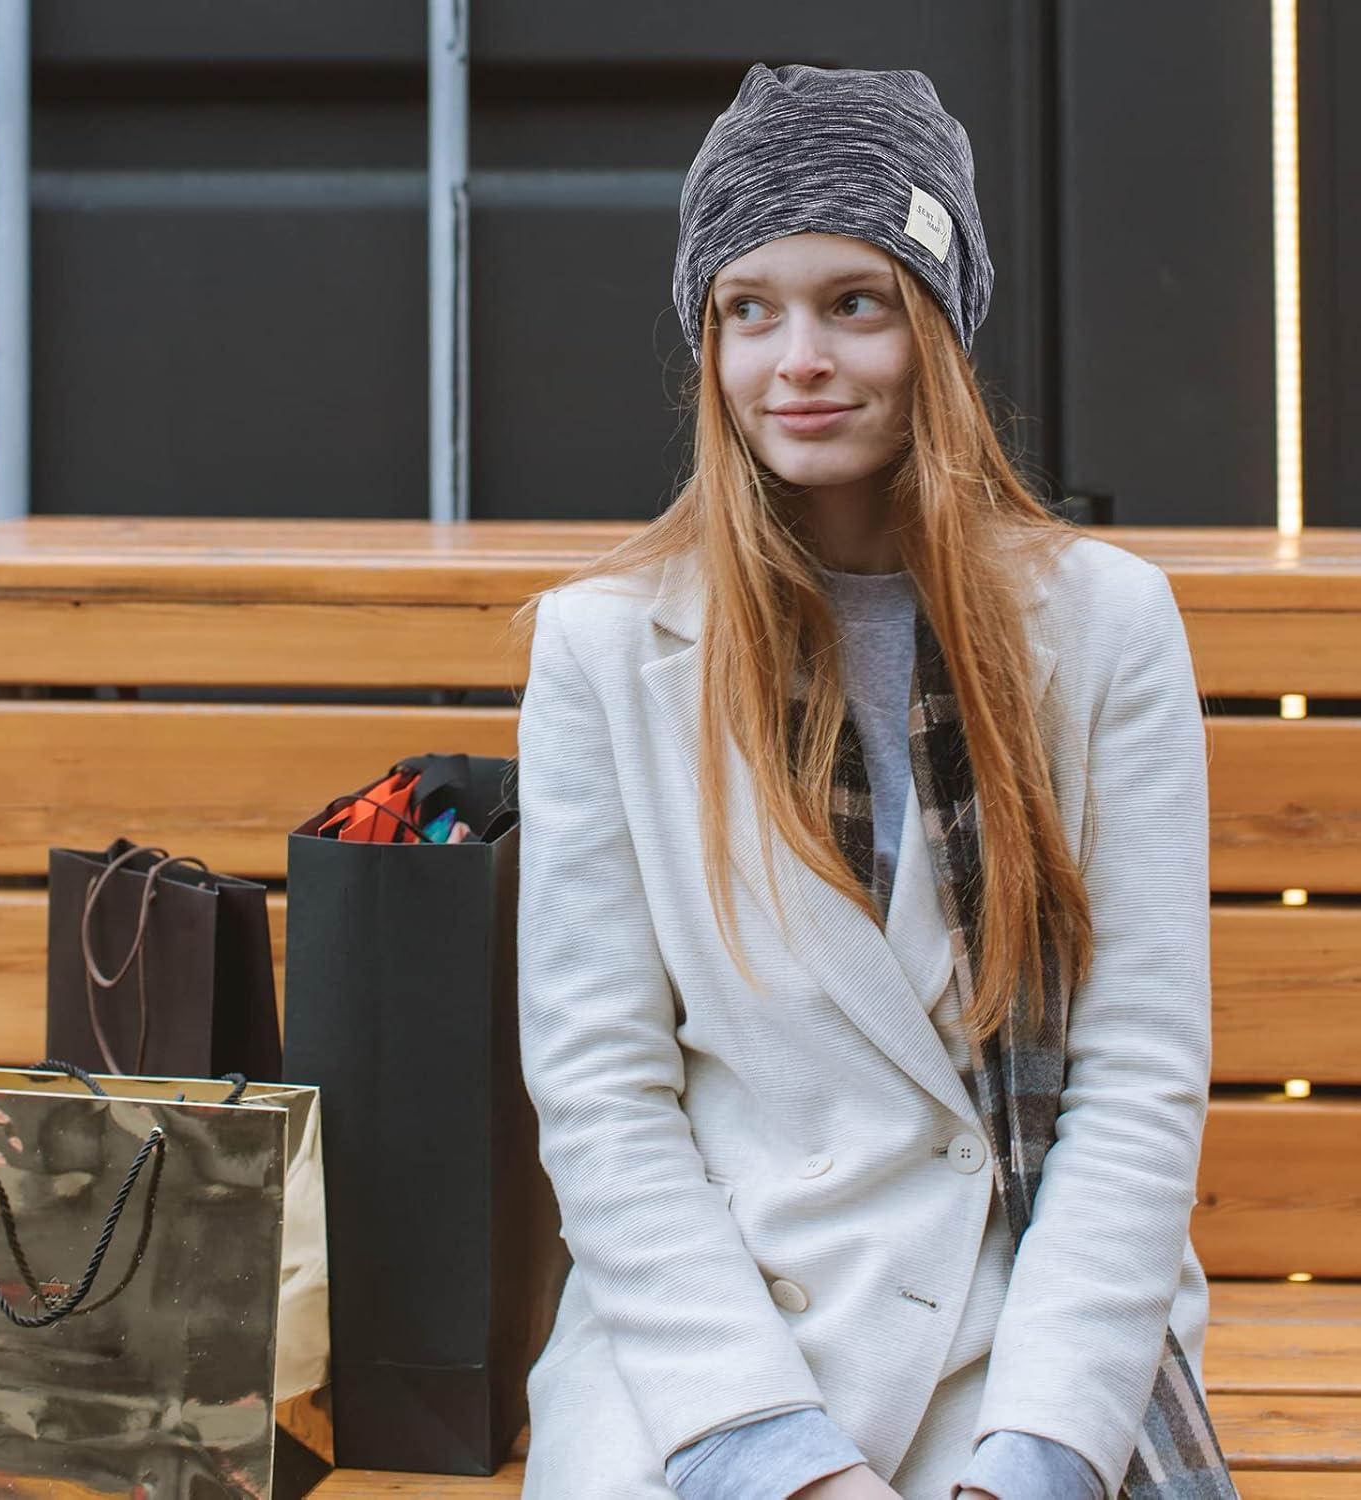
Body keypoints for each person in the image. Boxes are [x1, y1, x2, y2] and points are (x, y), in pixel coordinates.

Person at [509, 64, 1220, 1499]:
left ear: (939, 329)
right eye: (748, 310)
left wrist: (1040, 1451)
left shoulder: (1102, 622)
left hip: (1013, 1316)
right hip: (706, 1337)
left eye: (856, 303)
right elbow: (602, 1093)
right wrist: (774, 1454)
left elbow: (1138, 1077)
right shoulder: (608, 644)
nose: (799, 361)